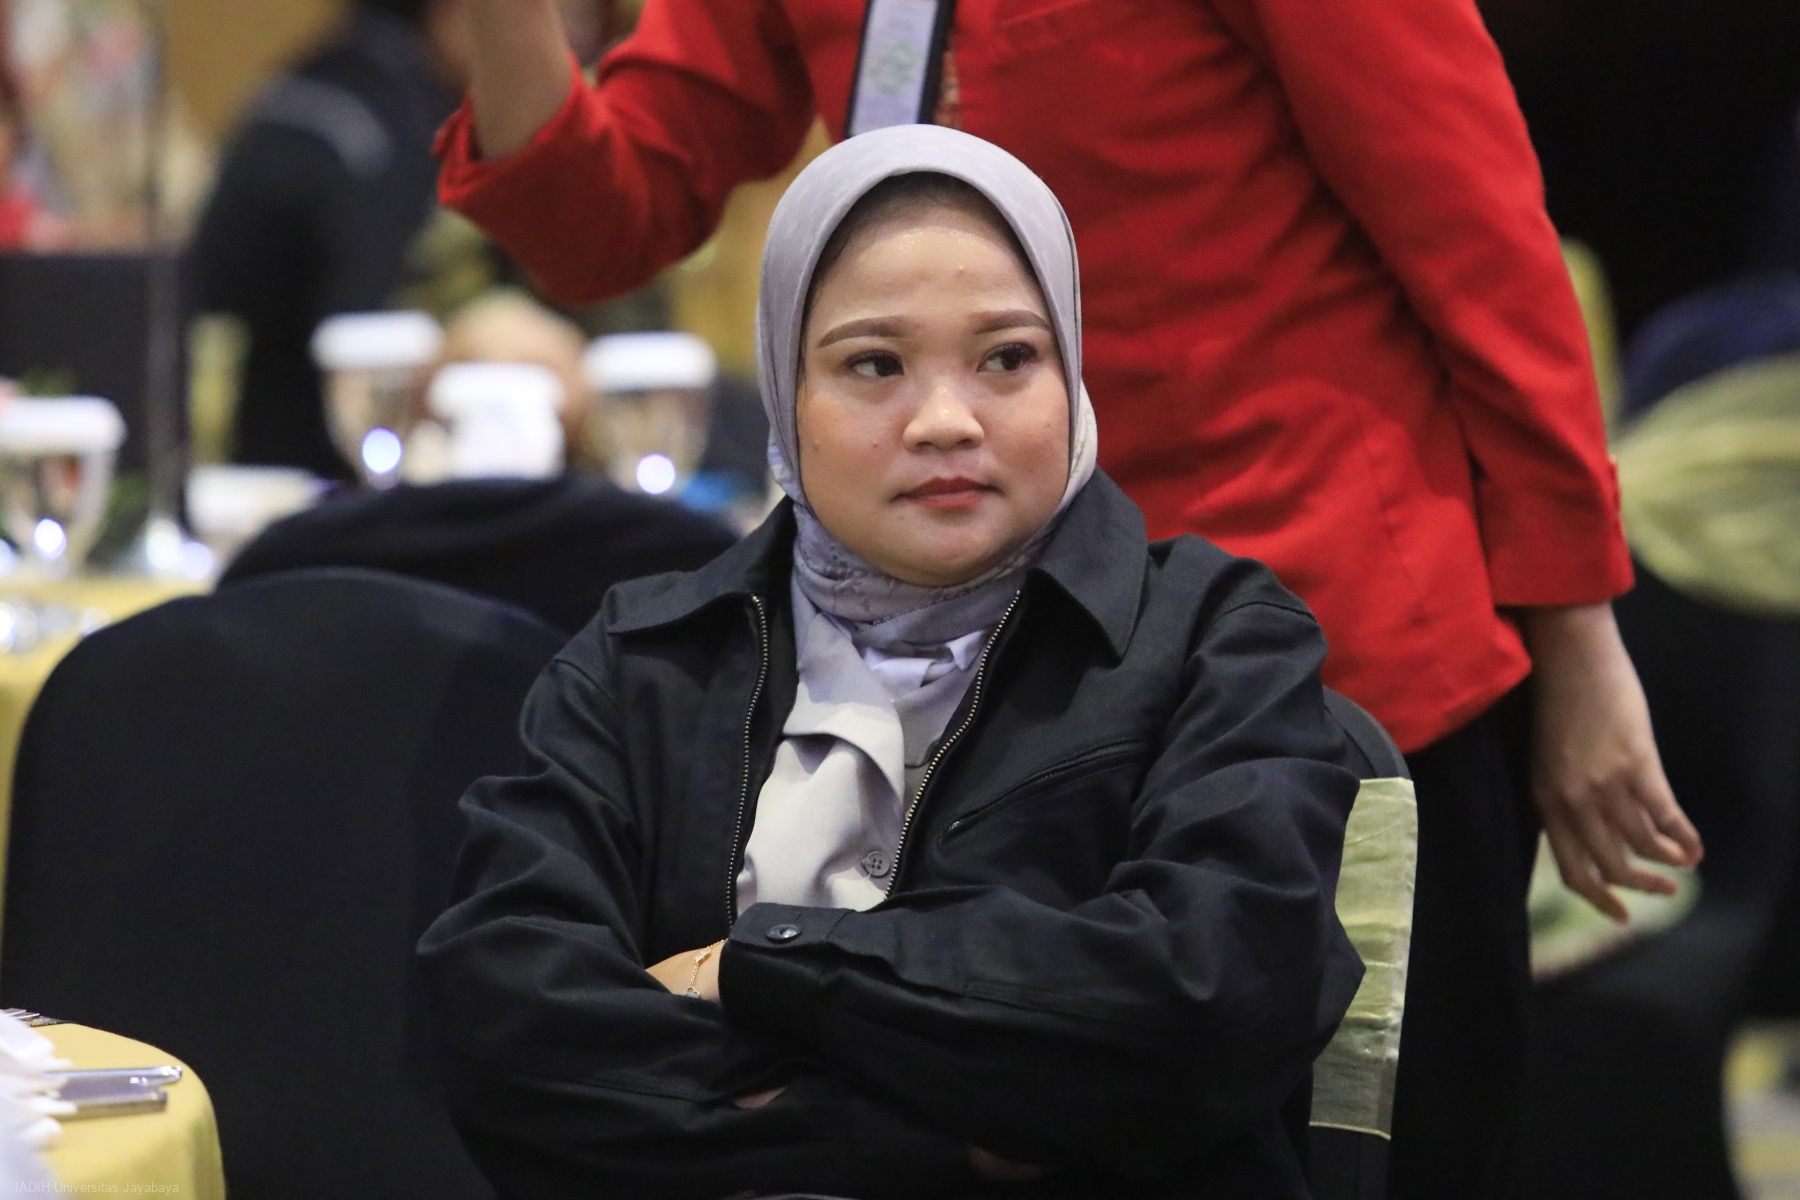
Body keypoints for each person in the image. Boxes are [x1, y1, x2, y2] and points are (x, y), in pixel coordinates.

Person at [427, 3, 1706, 1191]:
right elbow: (592, 222)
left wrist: (1578, 635)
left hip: (1302, 636)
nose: (941, 414)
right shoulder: (646, 658)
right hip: (942, 665)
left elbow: (1477, 242)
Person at [419, 125, 1365, 1199]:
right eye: (874, 365)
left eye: (1008, 358)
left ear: (1071, 370)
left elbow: (1211, 1000)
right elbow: (507, 1033)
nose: (945, 422)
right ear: (785, 393)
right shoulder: (647, 658)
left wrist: (753, 967)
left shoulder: (1215, 639)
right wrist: (935, 1146)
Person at [187, 0, 471, 478]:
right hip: (330, 463)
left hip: (242, 452)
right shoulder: (397, 127)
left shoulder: (300, 84)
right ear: (454, 13)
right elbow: (366, 347)